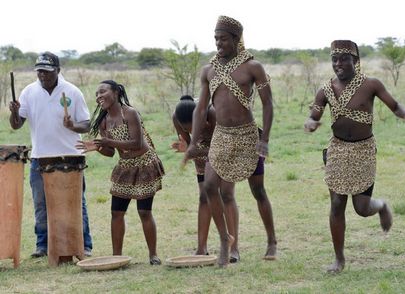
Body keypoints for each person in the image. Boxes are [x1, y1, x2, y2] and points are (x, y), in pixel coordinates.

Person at [304, 40, 405, 273]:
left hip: (363, 150)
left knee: (361, 207)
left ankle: (380, 206)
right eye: (334, 59)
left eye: (344, 59)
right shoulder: (325, 89)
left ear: (355, 61)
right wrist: (311, 123)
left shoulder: (371, 84)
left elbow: (396, 107)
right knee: (337, 204)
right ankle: (339, 259)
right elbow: (314, 114)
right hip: (337, 150)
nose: (338, 64)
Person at [184, 16, 274, 267]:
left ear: (236, 39)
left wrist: (264, 138)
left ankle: (272, 241)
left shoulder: (253, 67)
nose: (218, 43)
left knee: (258, 190)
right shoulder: (208, 70)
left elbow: (268, 103)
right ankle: (225, 240)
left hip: (247, 135)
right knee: (210, 187)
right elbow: (201, 108)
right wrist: (193, 142)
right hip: (221, 136)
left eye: (223, 38)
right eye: (215, 38)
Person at [172, 95, 277, 262]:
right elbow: (190, 145)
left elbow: (223, 149)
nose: (191, 132)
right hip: (207, 149)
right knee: (204, 196)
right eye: (187, 129)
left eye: (194, 127)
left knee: (237, 193)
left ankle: (243, 247)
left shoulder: (215, 114)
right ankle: (202, 249)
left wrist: (193, 152)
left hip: (240, 143)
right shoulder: (177, 117)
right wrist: (189, 149)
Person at [9, 52, 93, 258]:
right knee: (41, 203)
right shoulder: (29, 92)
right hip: (40, 157)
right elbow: (16, 125)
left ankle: (84, 244)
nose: (43, 75)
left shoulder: (72, 91)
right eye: (39, 71)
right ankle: (43, 245)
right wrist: (13, 111)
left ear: (58, 70)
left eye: (47, 71)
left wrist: (73, 125)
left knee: (75, 202)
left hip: (70, 156)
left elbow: (87, 123)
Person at [76, 80, 164, 265]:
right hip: (125, 166)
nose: (99, 96)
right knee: (116, 212)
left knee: (144, 211)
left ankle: (153, 255)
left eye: (103, 91)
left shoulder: (129, 113)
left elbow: (137, 143)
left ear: (115, 92)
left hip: (145, 164)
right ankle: (117, 257)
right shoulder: (104, 121)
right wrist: (98, 147)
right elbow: (110, 153)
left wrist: (109, 143)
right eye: (96, 94)